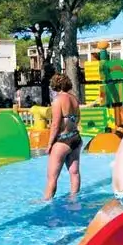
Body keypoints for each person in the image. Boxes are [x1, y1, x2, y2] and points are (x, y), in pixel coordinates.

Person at [42, 73, 82, 201]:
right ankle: (74, 199)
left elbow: (55, 124)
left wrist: (50, 144)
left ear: (55, 85)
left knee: (52, 177)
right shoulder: (74, 99)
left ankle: (46, 202)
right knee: (74, 172)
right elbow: (77, 119)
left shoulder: (57, 100)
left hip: (63, 140)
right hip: (75, 138)